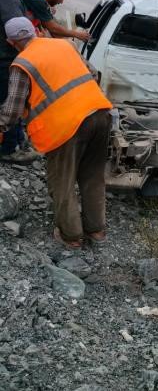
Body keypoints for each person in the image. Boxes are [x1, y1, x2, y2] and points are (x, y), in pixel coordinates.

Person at [0, 17, 113, 249]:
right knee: (93, 176)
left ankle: (71, 236)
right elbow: (93, 74)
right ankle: (97, 231)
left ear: (12, 42)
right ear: (34, 31)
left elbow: (11, 113)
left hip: (66, 127)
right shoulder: (63, 45)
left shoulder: (22, 64)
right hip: (100, 113)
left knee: (62, 182)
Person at [0, 0, 37, 162]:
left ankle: (17, 140)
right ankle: (10, 148)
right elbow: (18, 30)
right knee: (11, 100)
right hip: (6, 56)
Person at [24, 0, 90, 42]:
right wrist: (77, 34)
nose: (61, 2)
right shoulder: (38, 0)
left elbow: (50, 27)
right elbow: (52, 28)